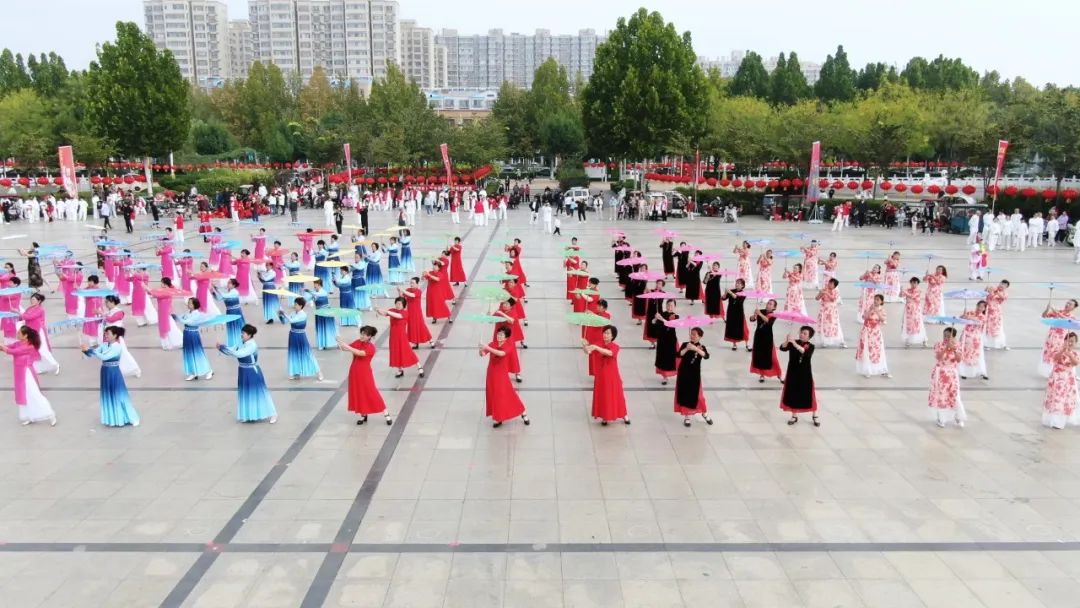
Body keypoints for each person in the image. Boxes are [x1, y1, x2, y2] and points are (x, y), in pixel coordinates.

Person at [217, 324, 277, 424]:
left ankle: (273, 413)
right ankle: (249, 415)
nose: (241, 334)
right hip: (242, 371)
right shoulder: (241, 342)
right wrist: (221, 348)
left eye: (243, 333)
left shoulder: (252, 345)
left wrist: (225, 348)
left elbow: (239, 354)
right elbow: (232, 350)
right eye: (241, 332)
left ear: (249, 335)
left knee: (260, 392)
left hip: (252, 371)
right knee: (245, 393)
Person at [81, 326, 140, 427]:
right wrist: (86, 350)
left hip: (114, 372)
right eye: (105, 333)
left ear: (115, 335)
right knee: (108, 395)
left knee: (120, 395)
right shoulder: (104, 345)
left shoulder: (118, 347)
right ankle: (113, 419)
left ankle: (133, 418)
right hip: (105, 372)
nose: (106, 335)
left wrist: (91, 350)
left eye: (108, 333)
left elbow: (104, 357)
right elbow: (93, 354)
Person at [0, 326, 57, 426]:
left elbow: (13, 351)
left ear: (25, 335)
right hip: (19, 373)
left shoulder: (29, 346)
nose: (17, 334)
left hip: (27, 374)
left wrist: (4, 348)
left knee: (34, 393)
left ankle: (49, 414)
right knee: (24, 394)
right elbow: (8, 347)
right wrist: (2, 347)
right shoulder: (18, 343)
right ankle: (29, 416)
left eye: (19, 333)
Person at [337, 326, 391, 425]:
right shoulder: (357, 342)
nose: (362, 336)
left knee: (372, 392)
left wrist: (347, 346)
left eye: (364, 335)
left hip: (365, 373)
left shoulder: (371, 347)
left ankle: (385, 412)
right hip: (354, 372)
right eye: (361, 334)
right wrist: (340, 343)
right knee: (359, 393)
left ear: (370, 336)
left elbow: (360, 353)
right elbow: (345, 349)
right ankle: (363, 414)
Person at [480, 326, 530, 428]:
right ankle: (499, 417)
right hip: (491, 373)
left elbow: (501, 353)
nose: (499, 336)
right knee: (494, 395)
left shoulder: (509, 345)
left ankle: (522, 411)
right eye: (498, 334)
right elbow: (483, 354)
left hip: (501, 375)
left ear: (506, 337)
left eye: (501, 335)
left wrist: (487, 347)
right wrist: (481, 350)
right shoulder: (492, 344)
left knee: (506, 394)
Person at [583, 325, 630, 425]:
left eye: (608, 333)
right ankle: (604, 416)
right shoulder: (598, 343)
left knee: (617, 395)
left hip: (612, 376)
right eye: (604, 333)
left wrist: (596, 347)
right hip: (600, 375)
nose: (605, 335)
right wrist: (584, 346)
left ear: (612, 336)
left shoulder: (615, 346)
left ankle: (624, 415)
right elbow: (588, 351)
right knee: (603, 395)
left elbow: (610, 353)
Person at [779, 326, 819, 426]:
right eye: (801, 332)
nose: (802, 334)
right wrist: (787, 340)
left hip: (805, 373)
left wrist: (794, 343)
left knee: (809, 393)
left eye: (805, 333)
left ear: (809, 337)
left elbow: (805, 353)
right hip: (793, 372)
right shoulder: (793, 342)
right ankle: (794, 415)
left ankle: (814, 415)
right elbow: (782, 348)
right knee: (793, 392)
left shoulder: (811, 346)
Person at [673, 327, 713, 426]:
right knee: (685, 394)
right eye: (691, 334)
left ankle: (704, 413)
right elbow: (678, 355)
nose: (692, 336)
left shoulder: (701, 347)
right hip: (683, 373)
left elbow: (706, 356)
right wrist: (687, 348)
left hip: (695, 374)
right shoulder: (685, 344)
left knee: (699, 396)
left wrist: (696, 349)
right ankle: (687, 417)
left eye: (694, 334)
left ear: (700, 336)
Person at [376, 297, 424, 379]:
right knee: (396, 352)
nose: (398, 305)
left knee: (408, 351)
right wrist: (377, 310)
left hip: (402, 337)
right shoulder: (392, 310)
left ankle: (419, 366)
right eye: (396, 303)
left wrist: (387, 311)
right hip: (393, 336)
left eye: (400, 304)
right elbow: (384, 314)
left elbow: (398, 316)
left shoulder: (405, 313)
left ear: (404, 305)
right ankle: (400, 369)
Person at [278, 297, 324, 381]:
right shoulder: (293, 313)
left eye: (296, 304)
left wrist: (284, 313)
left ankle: (319, 372)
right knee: (293, 354)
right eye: (294, 304)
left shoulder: (303, 314)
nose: (294, 305)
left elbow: (292, 321)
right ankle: (296, 373)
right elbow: (284, 322)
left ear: (301, 306)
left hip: (301, 336)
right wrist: (280, 315)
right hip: (292, 335)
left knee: (308, 353)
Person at [928, 327, 965, 428]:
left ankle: (958, 417)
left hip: (952, 374)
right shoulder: (939, 345)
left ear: (953, 337)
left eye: (949, 336)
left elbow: (959, 360)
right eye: (945, 335)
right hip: (940, 373)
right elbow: (938, 357)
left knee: (954, 395)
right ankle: (941, 418)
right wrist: (945, 348)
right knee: (941, 396)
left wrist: (954, 349)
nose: (946, 338)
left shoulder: (958, 346)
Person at [1042, 331, 1080, 429]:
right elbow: (1055, 358)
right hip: (1057, 379)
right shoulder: (1058, 350)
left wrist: (1070, 355)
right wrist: (1062, 351)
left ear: (1075, 343)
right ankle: (1054, 420)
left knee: (1065, 400)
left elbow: (1076, 363)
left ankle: (1060, 421)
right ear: (1064, 341)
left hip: (1068, 380)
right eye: (1068, 341)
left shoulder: (1075, 353)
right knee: (1056, 398)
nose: (1070, 343)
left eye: (1072, 341)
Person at [19, 293, 60, 375]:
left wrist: (18, 312)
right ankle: (38, 368)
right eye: (31, 299)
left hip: (38, 331)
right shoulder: (30, 308)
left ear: (39, 301)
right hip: (31, 331)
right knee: (33, 349)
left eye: (33, 299)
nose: (31, 301)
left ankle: (55, 365)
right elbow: (23, 317)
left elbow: (28, 317)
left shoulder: (40, 309)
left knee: (42, 350)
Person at [175, 297, 214, 381]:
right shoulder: (187, 312)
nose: (188, 304)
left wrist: (178, 318)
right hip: (186, 334)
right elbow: (181, 317)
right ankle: (193, 372)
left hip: (193, 335)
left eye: (190, 303)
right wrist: (174, 317)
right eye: (188, 302)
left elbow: (187, 321)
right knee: (188, 353)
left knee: (198, 353)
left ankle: (209, 371)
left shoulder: (197, 314)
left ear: (194, 305)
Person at [1039, 299, 1077, 378]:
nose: (1067, 305)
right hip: (1052, 337)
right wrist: (1047, 309)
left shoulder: (1072, 317)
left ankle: (1070, 373)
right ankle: (1051, 372)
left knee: (1063, 355)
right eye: (1067, 303)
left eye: (1070, 304)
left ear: (1073, 308)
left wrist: (1056, 312)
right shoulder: (1058, 312)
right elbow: (1044, 316)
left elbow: (1066, 320)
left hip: (1062, 339)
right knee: (1050, 354)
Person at [856, 294, 890, 378]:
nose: (875, 301)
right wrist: (870, 310)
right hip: (867, 332)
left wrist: (877, 311)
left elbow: (883, 319)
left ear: (881, 301)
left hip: (876, 333)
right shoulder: (869, 308)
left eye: (878, 300)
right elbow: (864, 317)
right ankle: (867, 369)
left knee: (876, 350)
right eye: (875, 299)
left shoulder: (882, 310)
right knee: (867, 349)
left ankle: (880, 368)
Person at [750, 299, 783, 383]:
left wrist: (759, 314)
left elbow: (769, 322)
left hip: (768, 337)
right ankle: (762, 375)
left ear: (774, 308)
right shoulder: (761, 311)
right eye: (768, 303)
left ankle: (778, 374)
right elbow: (752, 319)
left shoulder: (773, 315)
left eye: (771, 304)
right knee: (760, 356)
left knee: (772, 357)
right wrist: (754, 316)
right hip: (758, 336)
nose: (768, 304)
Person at [400, 277, 435, 349]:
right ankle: (416, 343)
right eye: (411, 283)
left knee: (421, 326)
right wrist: (399, 291)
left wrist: (403, 290)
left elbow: (412, 295)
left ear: (417, 284)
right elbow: (402, 297)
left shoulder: (418, 291)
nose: (411, 284)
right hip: (409, 312)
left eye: (413, 283)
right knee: (412, 327)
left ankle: (430, 340)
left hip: (417, 313)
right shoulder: (408, 290)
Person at [958, 301, 989, 380]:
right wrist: (963, 315)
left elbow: (976, 320)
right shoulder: (971, 312)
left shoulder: (983, 317)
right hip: (966, 336)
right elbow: (961, 318)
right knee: (964, 353)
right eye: (979, 306)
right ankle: (963, 372)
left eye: (982, 307)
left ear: (984, 309)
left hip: (976, 338)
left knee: (977, 355)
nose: (980, 308)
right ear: (976, 305)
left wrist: (967, 317)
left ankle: (980, 371)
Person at [652, 300, 679, 385]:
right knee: (662, 358)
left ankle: (672, 373)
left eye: (671, 305)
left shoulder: (676, 316)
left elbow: (670, 324)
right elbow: (653, 323)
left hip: (671, 340)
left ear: (674, 307)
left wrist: (661, 319)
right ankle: (664, 376)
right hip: (662, 339)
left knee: (670, 358)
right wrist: (655, 318)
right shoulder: (661, 314)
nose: (669, 307)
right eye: (668, 305)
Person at [815, 278, 845, 348]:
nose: (829, 284)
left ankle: (836, 340)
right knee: (824, 325)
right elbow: (817, 298)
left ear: (834, 286)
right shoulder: (824, 289)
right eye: (829, 282)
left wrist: (826, 293)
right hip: (824, 309)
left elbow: (833, 299)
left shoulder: (836, 291)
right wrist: (820, 293)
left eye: (831, 283)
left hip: (831, 311)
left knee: (832, 325)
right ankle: (824, 341)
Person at [723, 279, 750, 350]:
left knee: (744, 329)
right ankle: (734, 344)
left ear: (742, 286)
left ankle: (747, 344)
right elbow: (723, 298)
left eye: (739, 283)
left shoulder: (743, 293)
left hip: (739, 313)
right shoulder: (732, 290)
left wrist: (730, 293)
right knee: (733, 328)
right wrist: (725, 292)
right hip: (731, 312)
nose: (737, 284)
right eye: (736, 283)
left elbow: (738, 300)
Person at [901, 277, 928, 348]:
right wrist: (901, 291)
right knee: (908, 324)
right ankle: (908, 340)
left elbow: (912, 296)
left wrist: (904, 292)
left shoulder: (919, 291)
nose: (913, 284)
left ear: (917, 284)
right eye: (912, 282)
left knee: (917, 324)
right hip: (908, 310)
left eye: (915, 283)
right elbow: (900, 296)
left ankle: (923, 339)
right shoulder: (908, 290)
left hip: (916, 310)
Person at [423, 261, 451, 325]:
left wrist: (429, 275)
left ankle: (449, 316)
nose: (434, 267)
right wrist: (423, 275)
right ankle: (434, 318)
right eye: (433, 266)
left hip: (437, 293)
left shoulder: (440, 274)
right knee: (432, 305)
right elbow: (424, 279)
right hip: (430, 292)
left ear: (439, 268)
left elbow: (437, 279)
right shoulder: (430, 272)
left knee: (441, 304)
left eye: (435, 266)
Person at [984, 280, 1009, 350]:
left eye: (1004, 285)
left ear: (1006, 287)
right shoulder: (992, 288)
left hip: (996, 312)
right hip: (988, 310)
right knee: (987, 327)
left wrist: (995, 291)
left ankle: (1000, 344)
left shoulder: (1004, 293)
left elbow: (1003, 297)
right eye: (1001, 283)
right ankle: (986, 344)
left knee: (997, 327)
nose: (1002, 285)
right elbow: (985, 294)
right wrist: (986, 289)